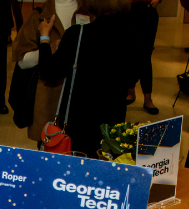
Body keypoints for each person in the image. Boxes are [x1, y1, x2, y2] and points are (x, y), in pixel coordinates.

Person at [38, 0, 131, 158]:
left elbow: (49, 72)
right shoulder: (132, 34)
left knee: (77, 169)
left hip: (79, 123)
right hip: (113, 123)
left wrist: (44, 37)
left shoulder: (78, 34)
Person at [13, 0, 87, 148]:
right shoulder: (38, 15)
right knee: (49, 148)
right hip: (48, 99)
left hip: (81, 100)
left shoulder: (88, 11)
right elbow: (21, 60)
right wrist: (47, 49)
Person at [124, 0, 160, 114]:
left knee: (145, 56)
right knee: (129, 54)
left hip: (148, 11)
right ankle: (130, 90)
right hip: (127, 11)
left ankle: (148, 99)